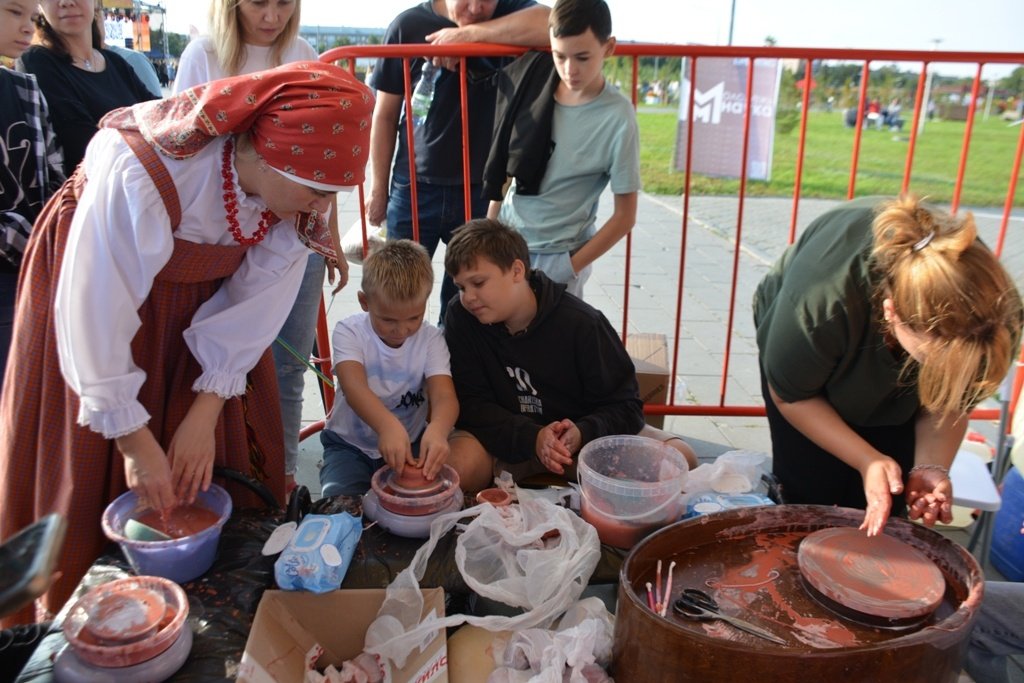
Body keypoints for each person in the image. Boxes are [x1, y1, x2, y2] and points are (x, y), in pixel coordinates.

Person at [0, 61, 373, 626]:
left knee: (204, 455)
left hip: (201, 304)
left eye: (333, 195)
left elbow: (252, 307)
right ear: (264, 153)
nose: (322, 210)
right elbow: (96, 308)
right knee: (100, 466)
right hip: (100, 299)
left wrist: (204, 411)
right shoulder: (148, 169)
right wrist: (131, 439)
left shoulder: (291, 208)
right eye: (317, 191)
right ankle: (77, 616)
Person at [753, 195, 1022, 537]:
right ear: (890, 311)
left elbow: (949, 404)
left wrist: (931, 465)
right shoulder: (820, 305)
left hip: (885, 328)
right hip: (808, 364)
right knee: (808, 487)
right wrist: (867, 459)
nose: (946, 374)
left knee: (891, 491)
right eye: (937, 364)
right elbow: (794, 398)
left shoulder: (995, 322)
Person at [174, 0, 330, 495]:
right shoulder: (202, 54)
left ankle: (279, 482)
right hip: (224, 239)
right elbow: (185, 150)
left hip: (290, 233)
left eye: (284, 3)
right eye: (258, 3)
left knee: (288, 363)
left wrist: (325, 235)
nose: (271, 16)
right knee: (219, 357)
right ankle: (230, 478)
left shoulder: (303, 52)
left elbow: (321, 166)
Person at [442, 218, 697, 492]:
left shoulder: (583, 323)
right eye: (460, 287)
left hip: (579, 447)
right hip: (504, 441)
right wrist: (533, 437)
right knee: (453, 469)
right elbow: (469, 403)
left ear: (517, 270)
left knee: (681, 459)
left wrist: (583, 432)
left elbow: (626, 406)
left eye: (478, 283)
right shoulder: (462, 316)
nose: (468, 297)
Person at [367, 0, 551, 323]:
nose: (478, 7)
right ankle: (395, 368)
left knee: (469, 303)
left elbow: (551, 24)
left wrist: (470, 37)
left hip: (482, 190)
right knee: (395, 293)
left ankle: (453, 371)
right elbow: (384, 116)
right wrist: (378, 189)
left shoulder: (512, 13)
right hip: (413, 186)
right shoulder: (408, 26)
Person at [483, 0, 638, 299]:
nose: (570, 69)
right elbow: (507, 165)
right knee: (498, 340)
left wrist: (570, 266)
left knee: (552, 344)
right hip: (505, 244)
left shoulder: (618, 116)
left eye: (582, 57)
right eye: (559, 56)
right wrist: (488, 229)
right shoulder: (535, 85)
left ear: (609, 48)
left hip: (561, 254)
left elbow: (625, 216)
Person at [319, 240, 458, 497]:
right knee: (340, 504)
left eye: (414, 318)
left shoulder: (431, 339)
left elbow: (444, 395)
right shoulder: (349, 331)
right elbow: (354, 387)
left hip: (411, 445)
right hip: (349, 447)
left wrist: (438, 430)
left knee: (422, 503)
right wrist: (388, 427)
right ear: (364, 302)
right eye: (388, 320)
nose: (401, 330)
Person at [0, 0, 65, 390]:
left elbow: (56, 175)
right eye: (13, 12)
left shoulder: (25, 87)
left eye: (31, 17)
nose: (28, 27)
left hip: (38, 269)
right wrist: (37, 241)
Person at [17, 0, 156, 177]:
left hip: (140, 184)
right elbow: (83, 145)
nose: (66, 2)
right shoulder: (37, 62)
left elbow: (159, 118)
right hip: (91, 194)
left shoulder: (116, 62)